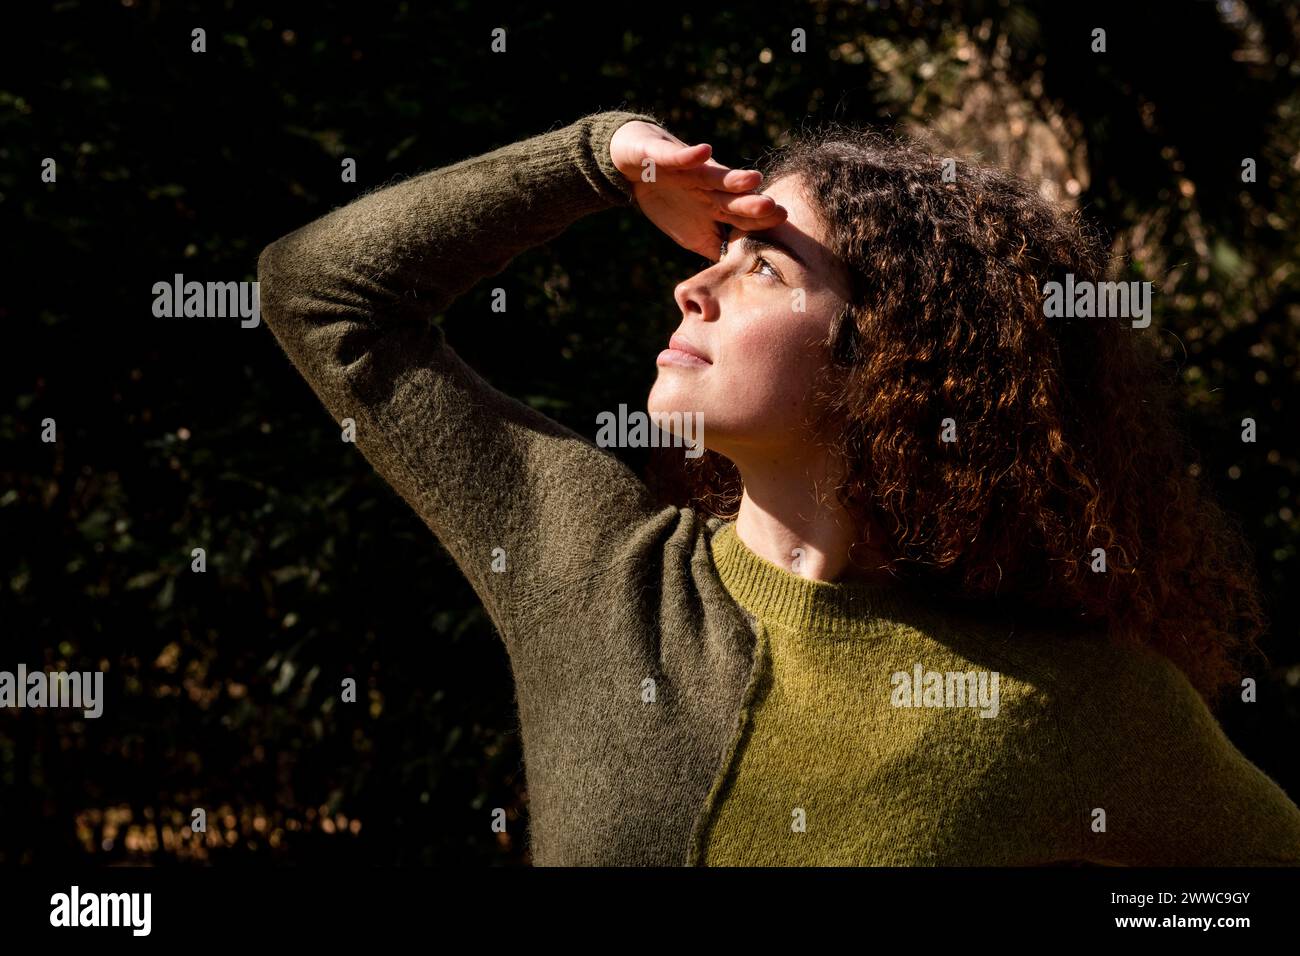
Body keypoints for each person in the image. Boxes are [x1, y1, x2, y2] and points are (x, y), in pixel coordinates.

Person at [257, 109, 1300, 866]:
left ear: (893, 353)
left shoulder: (1074, 701)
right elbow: (319, 291)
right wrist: (598, 161)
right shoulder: (590, 563)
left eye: (761, 267)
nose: (691, 284)